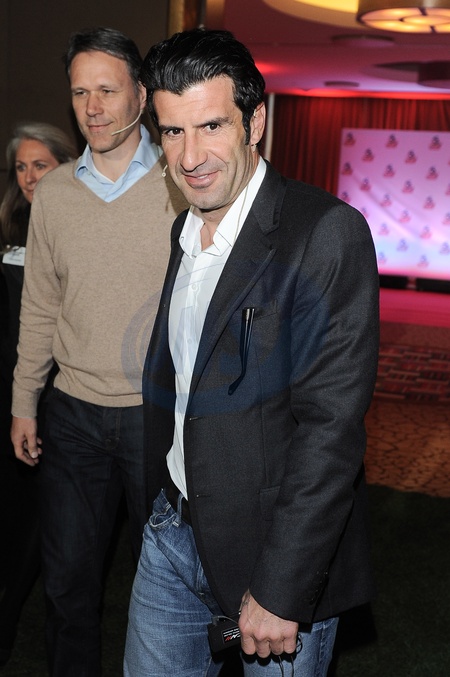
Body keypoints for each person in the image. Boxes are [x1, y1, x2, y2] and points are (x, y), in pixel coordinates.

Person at [124, 28, 380, 677]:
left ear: (255, 122)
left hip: (268, 558)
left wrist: (281, 586)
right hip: (171, 534)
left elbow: (330, 430)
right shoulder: (184, 230)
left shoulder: (325, 233)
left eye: (211, 125)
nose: (190, 157)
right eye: (173, 131)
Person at [11, 27, 187, 676]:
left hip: (157, 416)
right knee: (67, 586)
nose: (92, 107)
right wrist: (24, 401)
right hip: (73, 417)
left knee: (171, 587)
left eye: (107, 90)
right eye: (80, 92)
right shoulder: (55, 193)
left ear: (141, 94)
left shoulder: (182, 181)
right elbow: (41, 303)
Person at [0, 122, 76, 666]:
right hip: (7, 386)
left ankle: (8, 618)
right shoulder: (9, 223)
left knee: (35, 511)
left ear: (65, 167)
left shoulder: (73, 227)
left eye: (40, 165)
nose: (29, 177)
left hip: (52, 392)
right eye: (21, 167)